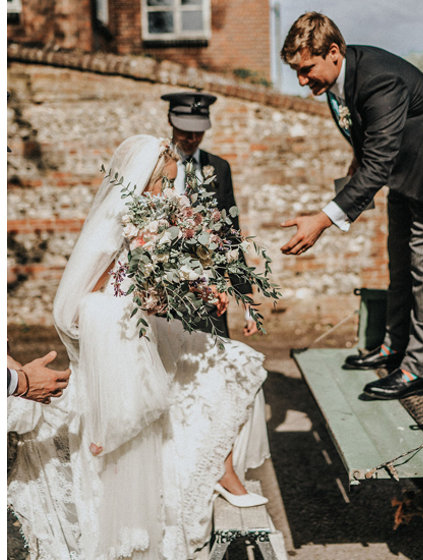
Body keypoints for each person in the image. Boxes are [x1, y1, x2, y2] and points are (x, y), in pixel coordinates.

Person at [7, 135, 269, 560]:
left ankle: (221, 470)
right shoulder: (118, 229)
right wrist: (145, 300)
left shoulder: (157, 224)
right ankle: (202, 472)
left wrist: (199, 289)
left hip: (150, 333)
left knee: (239, 363)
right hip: (118, 347)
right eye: (163, 184)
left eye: (171, 184)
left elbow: (154, 289)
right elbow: (79, 306)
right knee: (196, 389)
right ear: (141, 181)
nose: (169, 193)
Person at [278, 12, 423, 399]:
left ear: (333, 52)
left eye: (307, 70)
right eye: (297, 72)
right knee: (399, 262)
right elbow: (369, 140)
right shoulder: (340, 80)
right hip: (408, 171)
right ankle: (393, 349)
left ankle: (417, 370)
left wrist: (323, 220)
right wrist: (355, 163)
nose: (303, 81)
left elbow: (379, 161)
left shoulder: (378, 78)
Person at [161, 91, 258, 337]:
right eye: (186, 130)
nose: (193, 138)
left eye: (199, 131)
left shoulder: (219, 168)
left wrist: (246, 297)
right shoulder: (154, 163)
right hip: (163, 291)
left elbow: (230, 234)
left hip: (210, 293)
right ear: (170, 120)